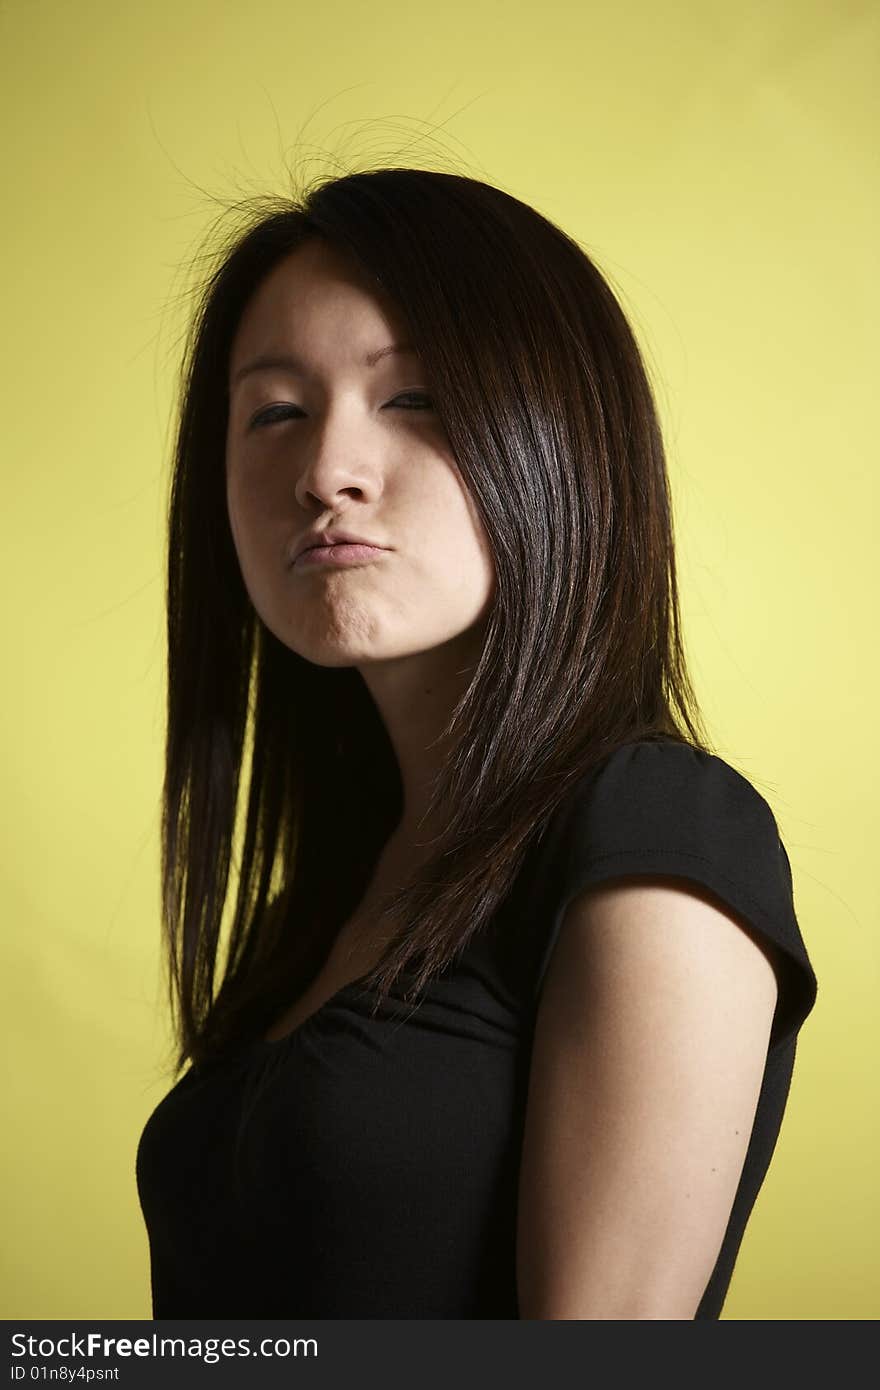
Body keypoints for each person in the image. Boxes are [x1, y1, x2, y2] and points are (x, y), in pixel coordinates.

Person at [135, 166, 818, 1320]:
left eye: (413, 399)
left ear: (561, 441)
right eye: (275, 412)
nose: (325, 473)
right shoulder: (328, 901)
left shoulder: (655, 826)